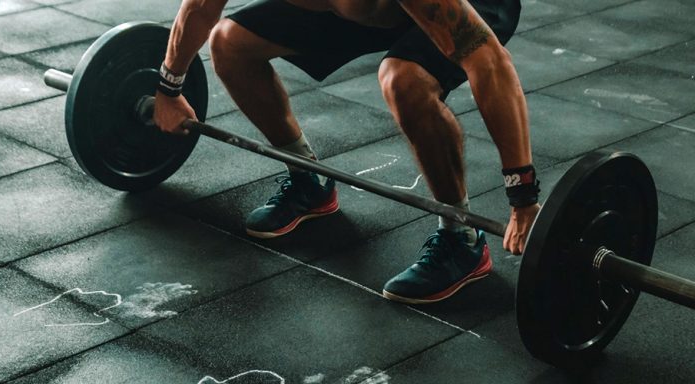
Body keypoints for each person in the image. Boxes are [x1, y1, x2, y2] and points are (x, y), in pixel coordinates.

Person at [154, 0, 541, 304]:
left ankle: (462, 239)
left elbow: (488, 63)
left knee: (403, 81)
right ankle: (309, 183)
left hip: (466, 4)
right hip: (361, 11)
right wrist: (169, 87)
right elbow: (202, 8)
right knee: (229, 42)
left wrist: (522, 196)